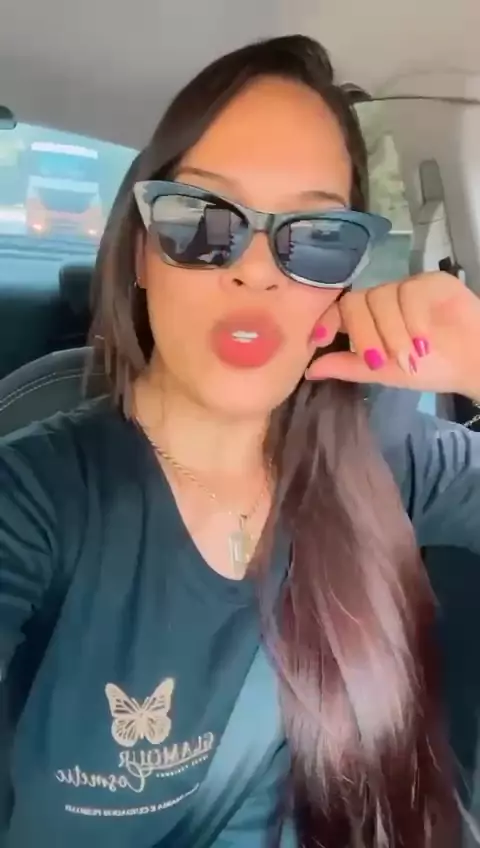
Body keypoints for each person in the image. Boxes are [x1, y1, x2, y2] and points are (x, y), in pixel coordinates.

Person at [0, 34, 480, 848]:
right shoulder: (36, 499)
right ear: (142, 251)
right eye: (201, 221)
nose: (256, 271)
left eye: (315, 235)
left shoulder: (385, 451)